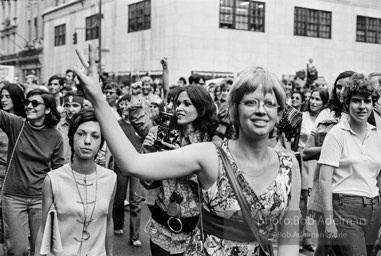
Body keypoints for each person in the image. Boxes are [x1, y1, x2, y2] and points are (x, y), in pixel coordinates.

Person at [73, 45, 300, 256]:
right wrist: (98, 98)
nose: (261, 110)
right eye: (251, 102)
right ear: (234, 109)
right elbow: (132, 163)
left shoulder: (289, 164)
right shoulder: (211, 155)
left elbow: (289, 235)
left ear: (279, 113)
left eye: (269, 103)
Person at [142, 85, 223, 255]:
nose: (179, 108)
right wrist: (148, 155)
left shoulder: (210, 144)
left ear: (201, 108)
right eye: (178, 103)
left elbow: (216, 190)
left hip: (194, 231)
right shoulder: (162, 134)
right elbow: (148, 183)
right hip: (160, 225)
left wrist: (181, 161)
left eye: (187, 104)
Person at [34, 110, 116, 256]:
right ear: (71, 137)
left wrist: (110, 254)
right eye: (81, 134)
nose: (87, 141)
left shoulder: (110, 179)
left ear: (102, 142)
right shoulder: (53, 179)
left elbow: (108, 222)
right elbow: (44, 228)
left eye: (95, 136)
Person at [319, 73, 381, 255]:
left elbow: (378, 175)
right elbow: (324, 179)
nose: (362, 106)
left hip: (374, 208)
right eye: (356, 101)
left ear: (373, 104)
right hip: (344, 209)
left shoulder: (376, 134)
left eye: (367, 101)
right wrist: (329, 221)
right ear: (347, 103)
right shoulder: (337, 133)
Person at [0, 88, 64, 255]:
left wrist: (58, 201)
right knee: (17, 250)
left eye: (35, 103)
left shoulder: (56, 136)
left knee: (40, 250)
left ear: (48, 109)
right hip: (13, 197)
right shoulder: (16, 125)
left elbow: (58, 170)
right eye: (27, 102)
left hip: (40, 199)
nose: (29, 106)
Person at [303, 71, 354, 256]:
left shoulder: (364, 113)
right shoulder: (327, 113)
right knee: (325, 246)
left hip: (352, 192)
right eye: (338, 86)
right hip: (324, 186)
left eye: (346, 86)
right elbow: (306, 153)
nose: (342, 91)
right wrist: (335, 149)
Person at [298, 88, 329, 252]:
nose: (313, 101)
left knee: (315, 205)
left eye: (317, 99)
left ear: (324, 103)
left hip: (319, 163)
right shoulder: (301, 117)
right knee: (304, 203)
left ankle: (309, 238)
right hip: (304, 161)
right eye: (311, 98)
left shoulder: (327, 119)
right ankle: (302, 237)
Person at [112, 95, 143, 247]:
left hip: (138, 166)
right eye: (122, 104)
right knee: (119, 200)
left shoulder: (141, 125)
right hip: (121, 166)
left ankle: (134, 236)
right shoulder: (117, 124)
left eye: (127, 103)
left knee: (135, 202)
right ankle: (117, 225)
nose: (124, 106)